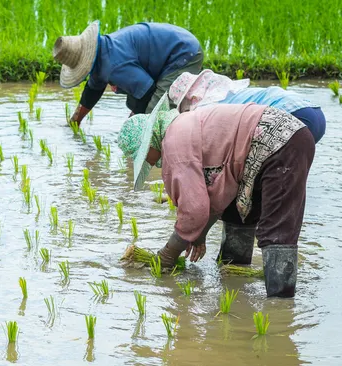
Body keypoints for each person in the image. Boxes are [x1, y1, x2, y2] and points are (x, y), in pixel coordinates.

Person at [117, 93, 315, 297]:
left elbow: (194, 210)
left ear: (149, 143)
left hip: (280, 144)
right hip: (283, 140)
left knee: (277, 230)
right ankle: (236, 276)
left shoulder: (173, 142)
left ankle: (280, 306)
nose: (147, 163)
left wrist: (168, 255)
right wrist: (199, 234)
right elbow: (215, 195)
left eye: (141, 156)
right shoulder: (183, 126)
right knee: (237, 212)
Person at [52, 21, 203, 125]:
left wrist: (131, 125)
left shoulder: (114, 65)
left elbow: (147, 92)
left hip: (183, 53)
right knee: (135, 101)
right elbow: (92, 92)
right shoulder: (103, 51)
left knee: (155, 115)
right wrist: (74, 122)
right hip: (166, 54)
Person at [169, 69, 326, 143]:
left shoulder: (207, 109)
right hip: (315, 113)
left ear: (191, 98)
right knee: (289, 173)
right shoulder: (231, 93)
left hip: (290, 116)